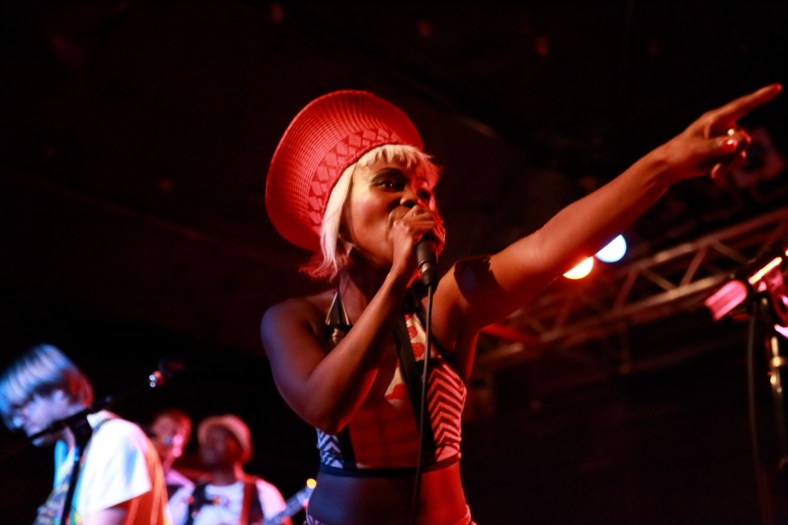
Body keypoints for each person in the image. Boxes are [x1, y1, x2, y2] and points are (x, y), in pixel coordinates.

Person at [259, 84, 782, 525]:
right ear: (339, 218)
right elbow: (327, 407)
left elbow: (551, 244)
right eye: (389, 184)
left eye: (425, 191)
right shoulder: (294, 318)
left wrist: (666, 162)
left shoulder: (450, 300)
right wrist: (398, 277)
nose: (414, 199)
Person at [0, 343, 171, 524]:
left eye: (23, 406)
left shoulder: (114, 439)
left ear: (59, 389)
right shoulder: (65, 450)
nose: (17, 422)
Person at [168, 414, 291, 525]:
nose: (210, 444)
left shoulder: (263, 492)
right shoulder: (186, 495)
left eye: (220, 438)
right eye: (208, 439)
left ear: (240, 448)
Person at [148, 408, 194, 499]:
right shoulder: (131, 475)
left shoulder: (184, 489)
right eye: (163, 428)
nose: (167, 436)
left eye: (174, 432)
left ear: (182, 446)